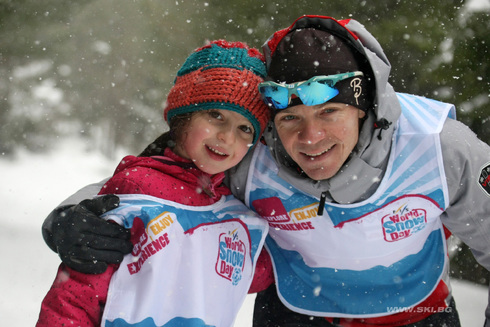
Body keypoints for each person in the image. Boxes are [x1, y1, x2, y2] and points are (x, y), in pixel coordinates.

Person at [41, 15, 490, 327]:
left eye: (329, 111)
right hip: (297, 312)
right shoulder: (251, 153)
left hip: (416, 312)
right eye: (291, 118)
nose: (310, 139)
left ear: (364, 108)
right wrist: (69, 213)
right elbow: (160, 179)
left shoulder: (437, 145)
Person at [36, 40, 272, 327]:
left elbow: (252, 275)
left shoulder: (236, 208)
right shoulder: (136, 187)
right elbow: (76, 295)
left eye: (244, 128)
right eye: (215, 115)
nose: (227, 136)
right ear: (183, 117)